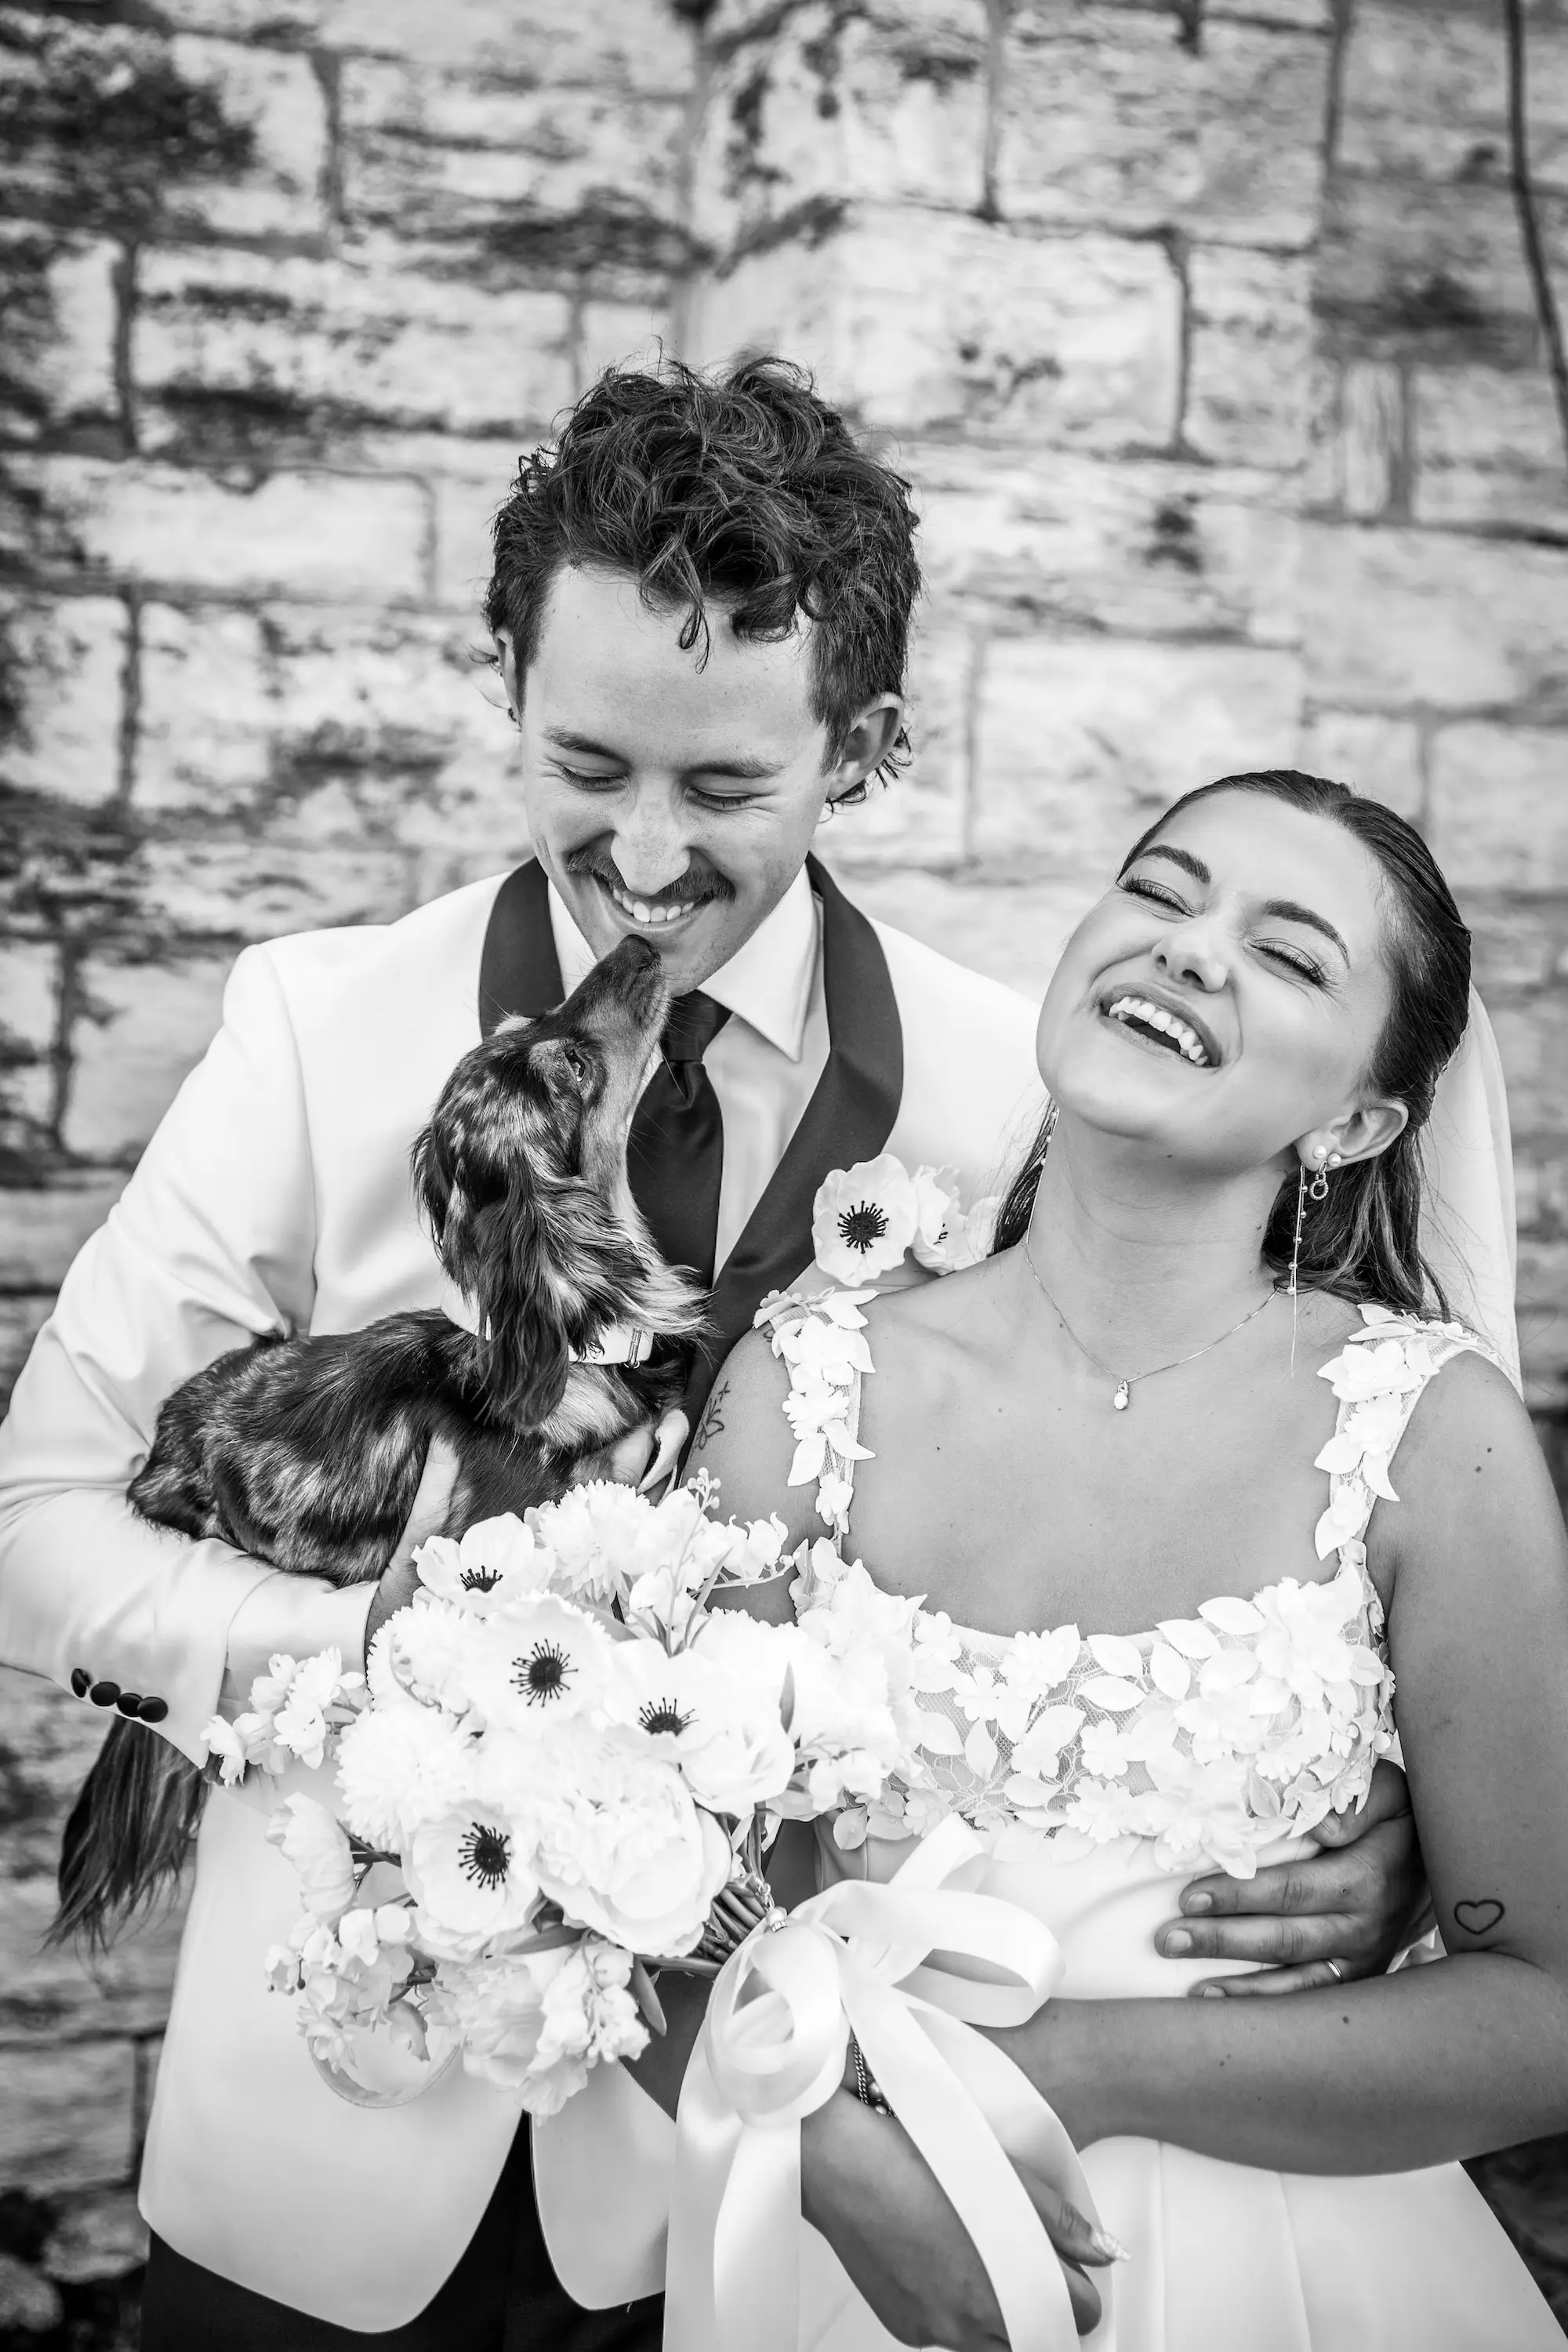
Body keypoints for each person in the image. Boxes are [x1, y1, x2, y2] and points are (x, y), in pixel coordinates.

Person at [0, 365, 1510, 2348]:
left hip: (774, 2183)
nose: (636, 851)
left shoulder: (1011, 1087)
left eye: (721, 790)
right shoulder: (312, 1029)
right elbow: (36, 1527)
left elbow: (1168, 1517)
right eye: (586, 764)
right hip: (329, 2138)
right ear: (506, 689)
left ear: (862, 743)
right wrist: (425, 1689)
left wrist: (1367, 1838)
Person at [677, 769, 1568, 2349]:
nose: (1189, 949)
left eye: (1288, 954)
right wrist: (825, 2162)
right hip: (877, 2247)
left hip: (1293, 2273)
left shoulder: (1432, 1439)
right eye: (1161, 891)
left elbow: (1543, 2012)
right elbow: (660, 1884)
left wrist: (1071, 2068)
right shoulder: (804, 1382)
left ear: (1359, 1119)